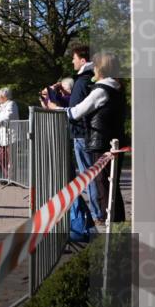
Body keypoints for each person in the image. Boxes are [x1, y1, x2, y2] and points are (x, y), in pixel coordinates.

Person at [55, 52, 127, 223]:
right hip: (113, 142)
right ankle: (116, 228)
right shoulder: (117, 87)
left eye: (95, 65)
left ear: (100, 68)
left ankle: (109, 230)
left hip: (101, 144)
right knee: (112, 189)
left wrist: (55, 109)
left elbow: (75, 113)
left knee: (104, 189)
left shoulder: (101, 90)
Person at [65, 45, 102, 221]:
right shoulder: (87, 80)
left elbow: (77, 110)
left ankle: (97, 213)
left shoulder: (83, 81)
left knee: (88, 176)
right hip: (82, 133)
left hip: (82, 134)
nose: (72, 61)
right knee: (89, 175)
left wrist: (57, 108)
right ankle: (97, 212)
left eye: (74, 58)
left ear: (82, 60)